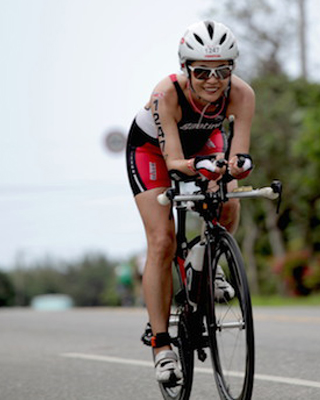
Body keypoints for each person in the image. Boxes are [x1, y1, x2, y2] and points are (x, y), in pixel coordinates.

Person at [125, 20, 255, 385]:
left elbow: (238, 157)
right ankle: (161, 345)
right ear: (186, 68)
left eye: (222, 70)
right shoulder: (165, 94)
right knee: (162, 240)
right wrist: (200, 167)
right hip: (153, 151)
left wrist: (235, 168)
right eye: (202, 72)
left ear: (232, 68)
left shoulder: (242, 94)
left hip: (204, 143)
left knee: (228, 202)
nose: (213, 80)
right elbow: (174, 162)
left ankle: (208, 265)